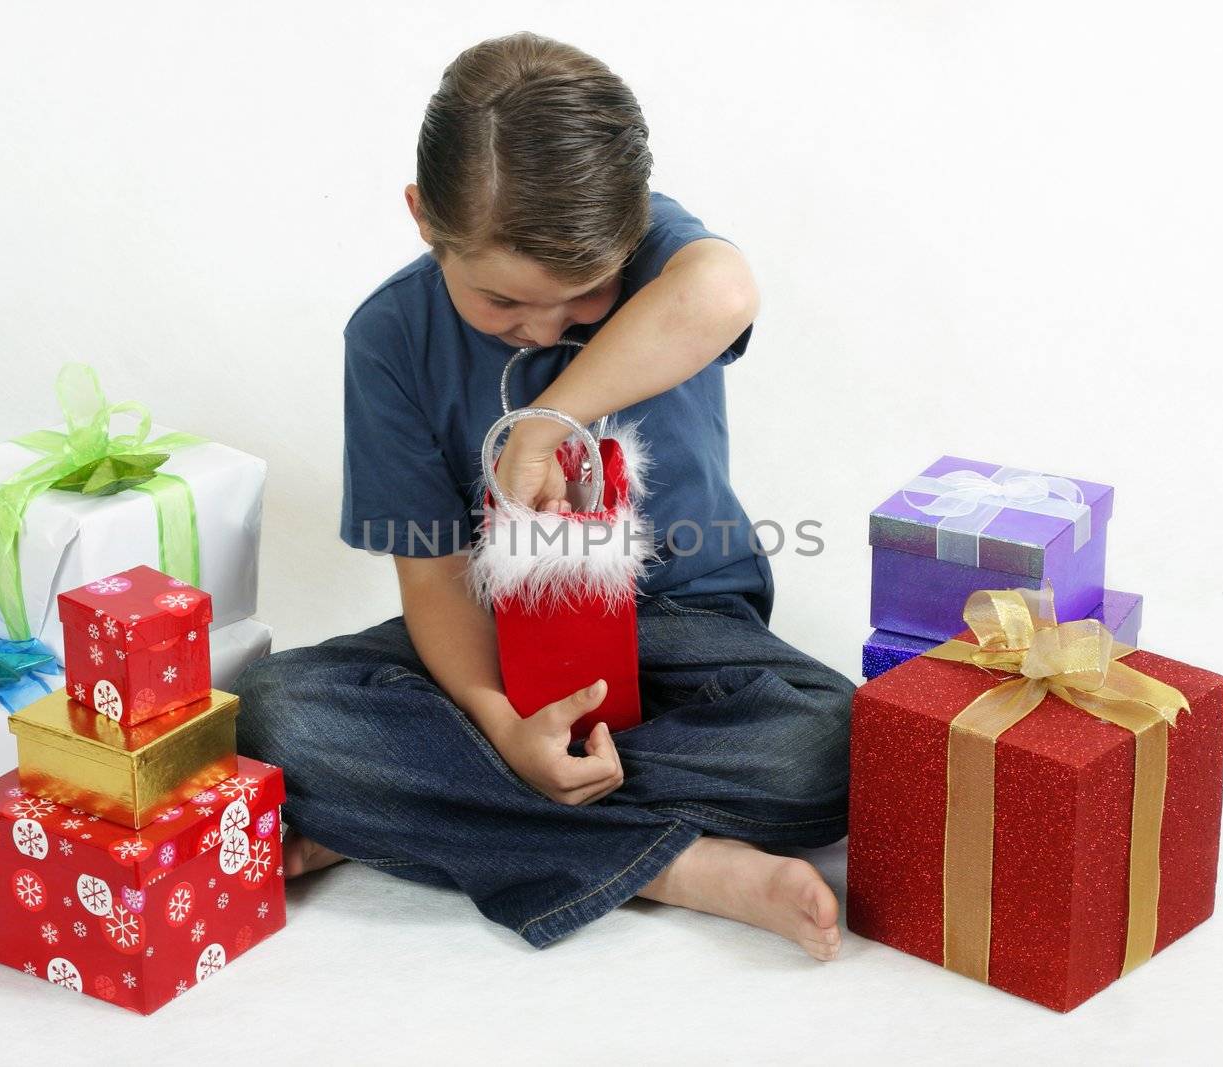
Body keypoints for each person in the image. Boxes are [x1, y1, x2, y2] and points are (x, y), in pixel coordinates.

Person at [235, 31, 853, 960]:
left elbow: (724, 288)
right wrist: (504, 725)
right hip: (497, 641)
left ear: (633, 226)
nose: (545, 324)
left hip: (683, 624)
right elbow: (437, 580)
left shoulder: (662, 259)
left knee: (835, 751)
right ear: (421, 217)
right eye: (504, 304)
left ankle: (413, 815)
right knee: (270, 710)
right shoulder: (390, 339)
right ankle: (674, 868)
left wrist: (548, 418)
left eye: (583, 296)